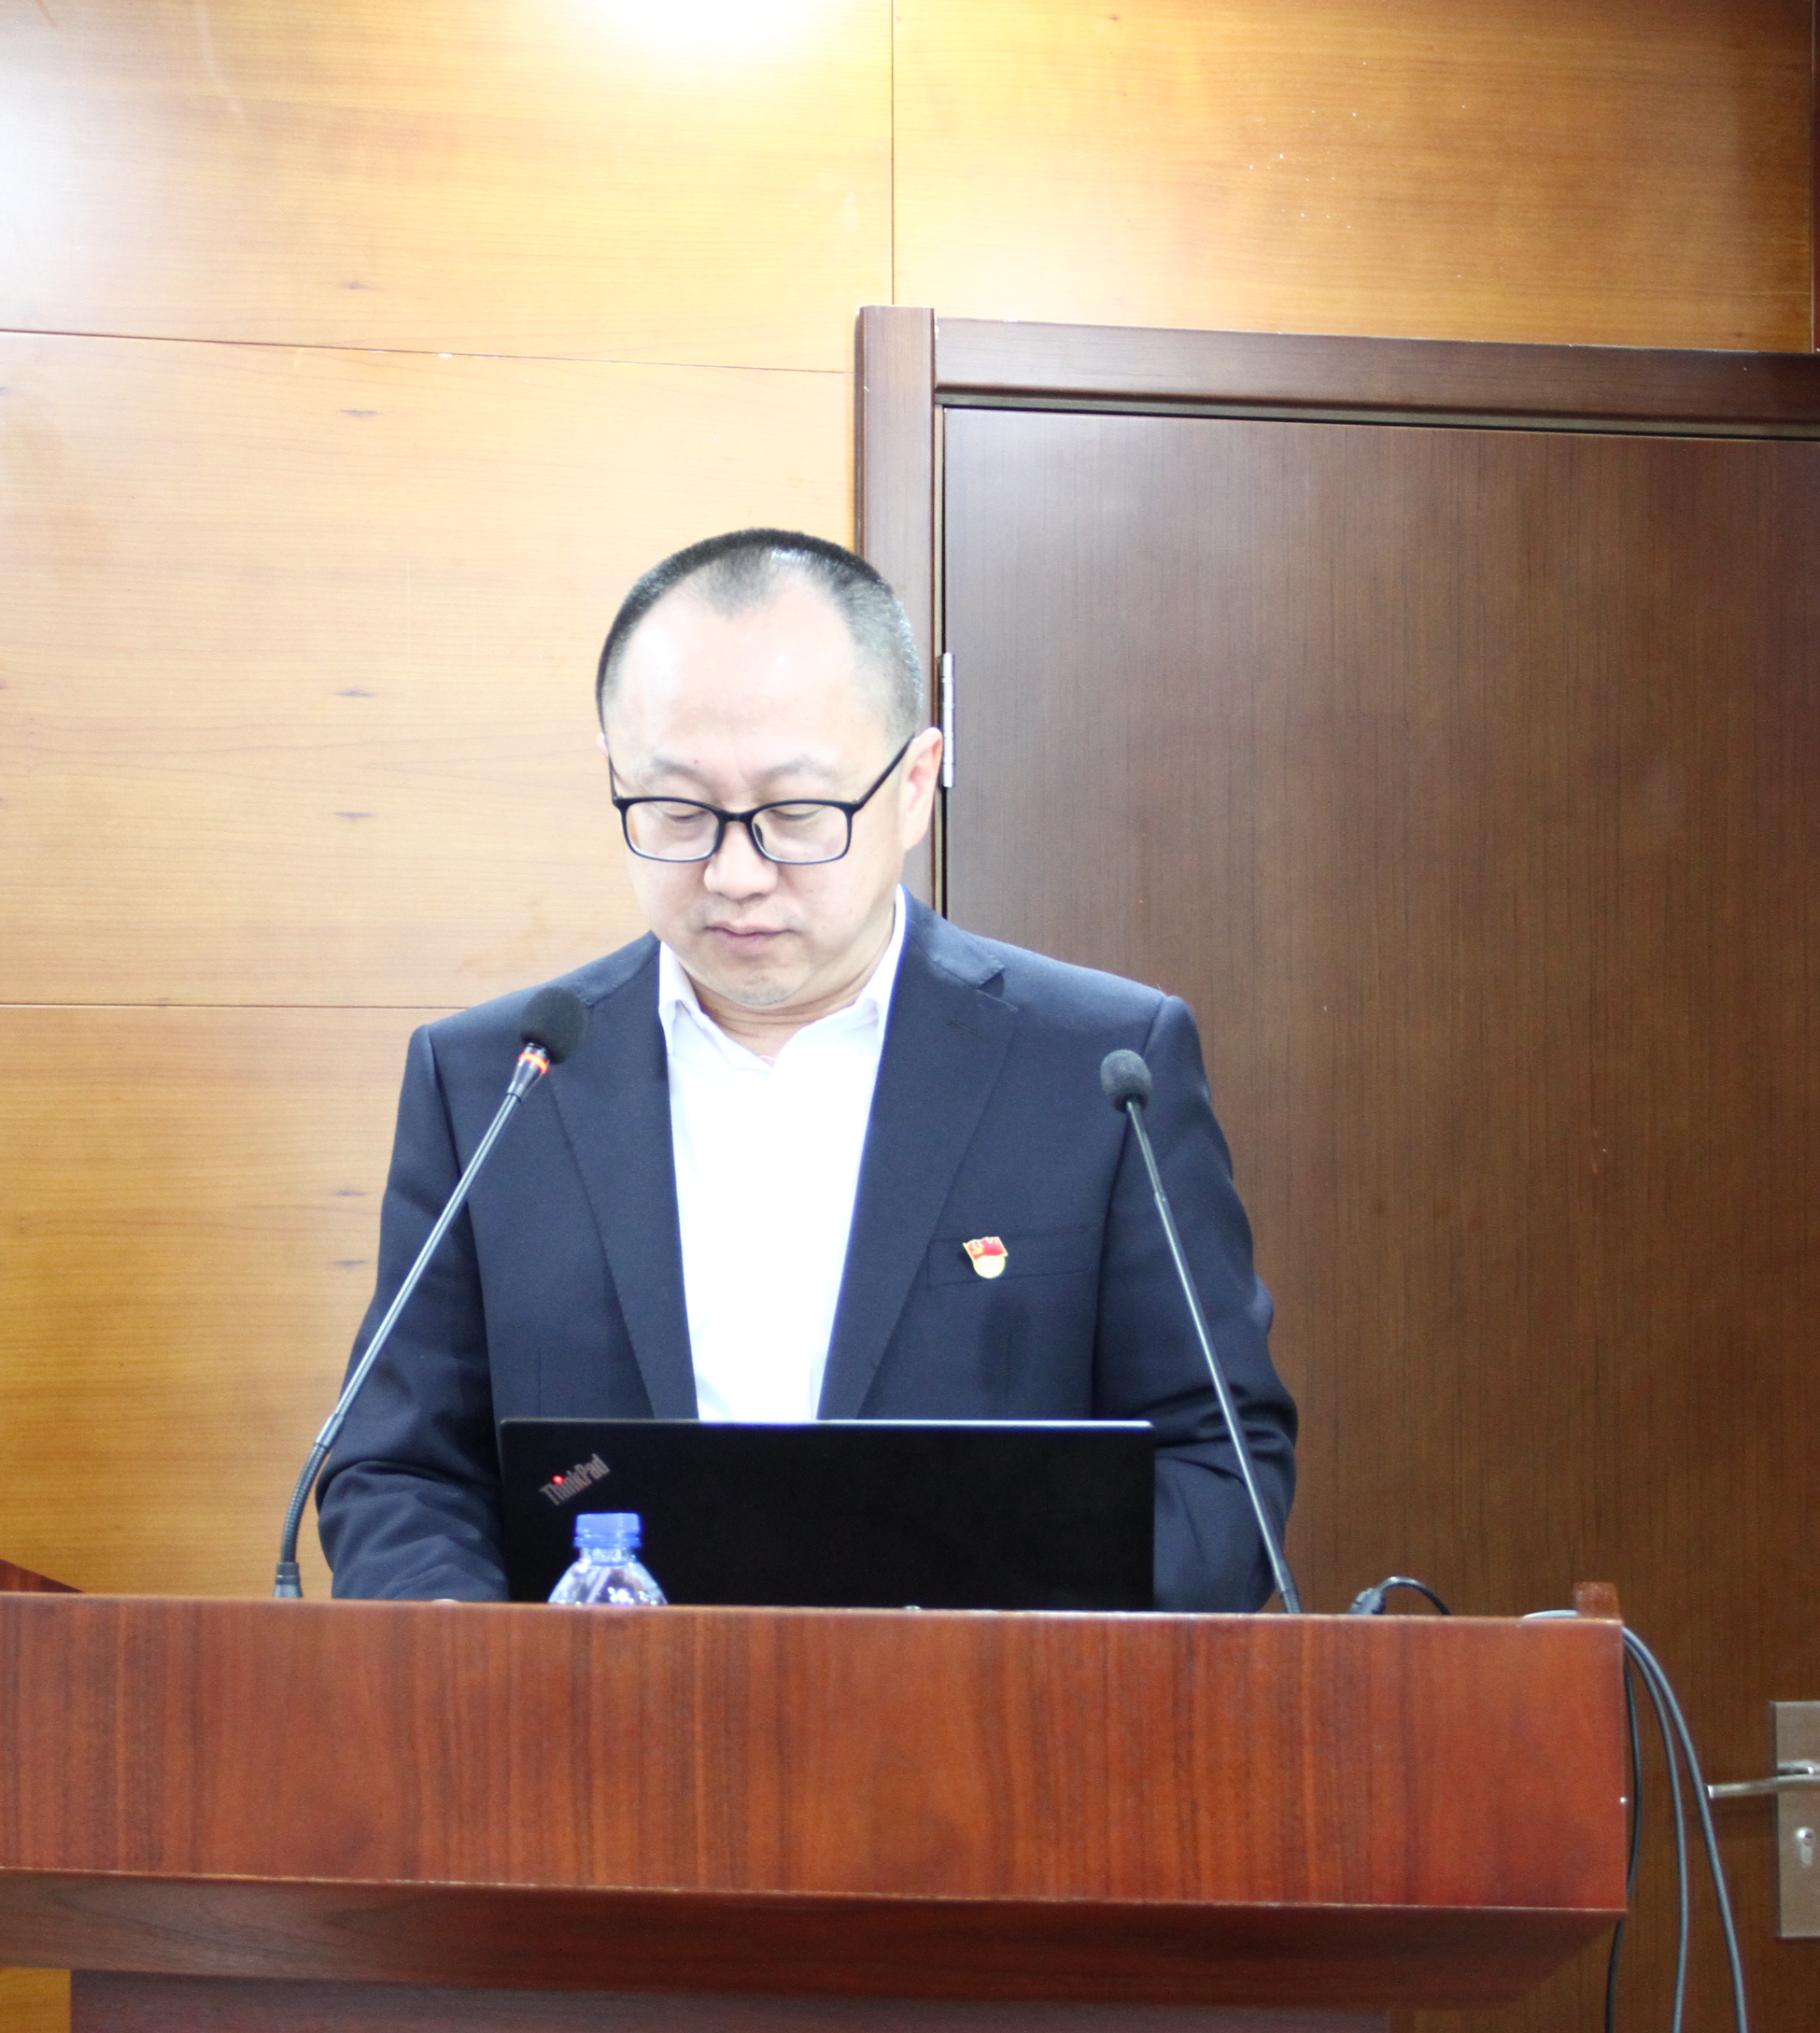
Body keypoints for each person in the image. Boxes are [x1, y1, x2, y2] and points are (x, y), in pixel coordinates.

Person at [316, 529, 1295, 1608]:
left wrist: (1005, 1670)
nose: (736, 873)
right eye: (678, 811)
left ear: (913, 785)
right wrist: (489, 1670)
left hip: (988, 1712)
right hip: (592, 1713)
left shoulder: (1097, 1073)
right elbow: (402, 1469)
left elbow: (1221, 1466)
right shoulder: (499, 1085)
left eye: (794, 814)